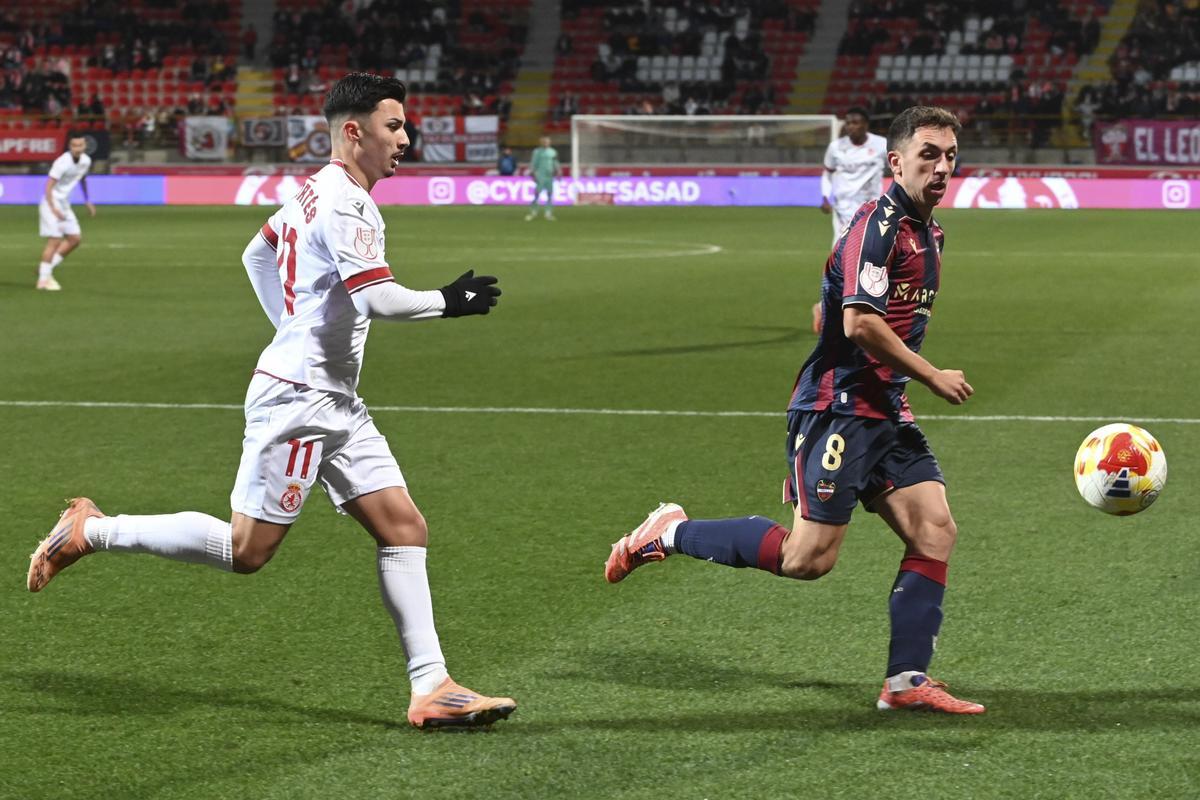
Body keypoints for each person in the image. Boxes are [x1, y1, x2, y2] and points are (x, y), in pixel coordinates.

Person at [27, 73, 516, 731]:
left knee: (403, 527)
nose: (406, 137)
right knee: (246, 550)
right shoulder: (346, 203)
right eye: (395, 125)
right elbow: (376, 296)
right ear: (354, 131)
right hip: (301, 402)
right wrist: (446, 301)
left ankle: (433, 687)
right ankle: (92, 530)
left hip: (331, 399)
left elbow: (254, 254)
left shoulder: (310, 192)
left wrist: (290, 329)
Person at [605, 106, 985, 715]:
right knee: (806, 560)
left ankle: (906, 681)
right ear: (897, 162)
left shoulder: (929, 230)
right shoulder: (878, 226)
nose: (942, 167)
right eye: (929, 155)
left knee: (935, 530)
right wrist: (932, 374)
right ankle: (668, 534)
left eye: (949, 156)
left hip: (884, 407)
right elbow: (859, 323)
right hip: (837, 407)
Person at [812, 107, 888, 332]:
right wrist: (825, 195)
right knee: (841, 260)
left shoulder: (881, 144)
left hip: (872, 210)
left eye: (857, 122)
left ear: (866, 124)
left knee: (875, 259)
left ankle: (867, 308)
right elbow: (827, 173)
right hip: (844, 210)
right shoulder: (836, 147)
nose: (852, 126)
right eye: (849, 122)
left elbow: (898, 167)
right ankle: (826, 308)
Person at [36, 133, 94, 291]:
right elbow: (48, 186)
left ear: (84, 146)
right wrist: (53, 209)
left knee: (75, 239)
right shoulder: (62, 162)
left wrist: (87, 200)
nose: (77, 149)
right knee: (54, 240)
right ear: (70, 147)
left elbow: (82, 178)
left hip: (64, 204)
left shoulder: (86, 161)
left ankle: (46, 268)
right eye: (74, 146)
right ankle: (43, 280)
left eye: (80, 145)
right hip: (51, 202)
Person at [525, 135, 560, 221]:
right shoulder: (537, 152)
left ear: (549, 142)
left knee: (549, 194)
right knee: (537, 193)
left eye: (547, 142)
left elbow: (555, 162)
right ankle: (533, 212)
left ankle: (548, 213)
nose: (546, 143)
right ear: (541, 142)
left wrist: (558, 171)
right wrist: (532, 173)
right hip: (540, 175)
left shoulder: (553, 152)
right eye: (544, 141)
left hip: (549, 176)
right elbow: (533, 163)